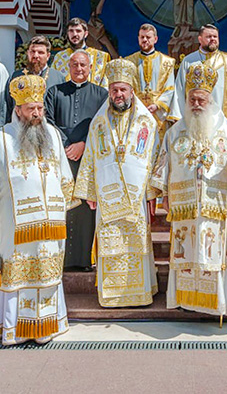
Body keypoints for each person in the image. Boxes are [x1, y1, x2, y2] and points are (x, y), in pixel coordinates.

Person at [0, 74, 78, 345]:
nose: (37, 114)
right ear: (18, 110)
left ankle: (47, 326)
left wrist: (63, 206)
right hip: (14, 223)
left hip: (50, 223)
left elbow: (62, 174)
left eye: (40, 108)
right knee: (16, 272)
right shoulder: (0, 138)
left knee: (47, 270)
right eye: (31, 109)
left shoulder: (52, 134)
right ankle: (14, 329)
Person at [154, 63, 227, 318]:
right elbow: (164, 164)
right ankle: (187, 300)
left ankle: (218, 303)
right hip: (184, 205)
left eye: (202, 99)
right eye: (192, 99)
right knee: (186, 253)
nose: (197, 104)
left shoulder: (225, 127)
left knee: (214, 254)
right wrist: (165, 193)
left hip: (214, 205)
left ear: (211, 100)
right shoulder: (175, 131)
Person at [74, 59, 162, 307]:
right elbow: (90, 157)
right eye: (114, 90)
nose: (118, 94)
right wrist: (89, 191)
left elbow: (156, 158)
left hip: (136, 197)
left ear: (132, 91)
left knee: (136, 243)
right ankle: (112, 296)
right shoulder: (98, 123)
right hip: (107, 194)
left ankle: (140, 293)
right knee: (111, 242)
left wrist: (152, 193)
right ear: (109, 92)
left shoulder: (148, 123)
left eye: (123, 89)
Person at [45, 49, 108, 269]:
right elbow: (48, 121)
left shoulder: (102, 94)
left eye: (83, 65)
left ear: (90, 68)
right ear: (68, 68)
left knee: (84, 210)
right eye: (75, 65)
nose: (79, 69)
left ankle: (84, 260)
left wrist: (83, 144)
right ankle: (60, 258)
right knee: (61, 207)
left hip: (88, 160)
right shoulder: (54, 92)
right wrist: (64, 145)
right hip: (61, 158)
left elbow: (102, 126)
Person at [171, 24, 227, 122]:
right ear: (200, 39)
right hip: (195, 117)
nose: (213, 39)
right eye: (209, 37)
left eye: (215, 36)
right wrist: (179, 117)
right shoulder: (189, 60)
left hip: (223, 120)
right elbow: (179, 89)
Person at [125, 23, 177, 127]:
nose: (145, 40)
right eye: (142, 37)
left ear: (155, 39)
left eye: (148, 37)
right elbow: (126, 86)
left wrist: (157, 105)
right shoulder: (129, 62)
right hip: (136, 112)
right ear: (138, 38)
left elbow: (170, 88)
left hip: (158, 114)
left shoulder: (166, 62)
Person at [4, 35, 63, 122]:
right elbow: (7, 106)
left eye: (40, 52)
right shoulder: (16, 77)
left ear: (48, 55)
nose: (36, 55)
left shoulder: (58, 78)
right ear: (28, 53)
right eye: (32, 51)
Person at [51, 17, 110, 87]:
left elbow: (105, 86)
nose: (74, 34)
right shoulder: (59, 57)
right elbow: (53, 83)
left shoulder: (100, 57)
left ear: (85, 34)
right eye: (71, 31)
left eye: (78, 31)